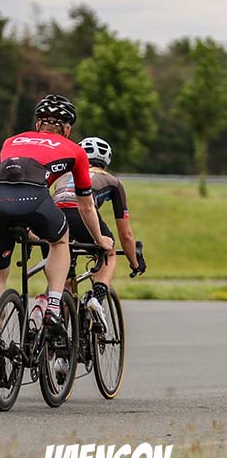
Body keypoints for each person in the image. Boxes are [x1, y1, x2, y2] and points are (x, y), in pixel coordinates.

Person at [0, 95, 114, 348]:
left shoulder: (11, 141)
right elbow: (85, 206)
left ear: (38, 125)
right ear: (67, 129)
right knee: (60, 240)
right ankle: (53, 305)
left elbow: (9, 179)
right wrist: (99, 239)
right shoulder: (75, 150)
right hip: (35, 200)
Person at [53, 136, 146, 328]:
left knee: (64, 277)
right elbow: (125, 235)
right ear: (106, 161)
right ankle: (97, 298)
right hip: (81, 214)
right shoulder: (112, 181)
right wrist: (135, 262)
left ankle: (57, 329)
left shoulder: (63, 176)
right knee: (109, 251)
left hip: (53, 217)